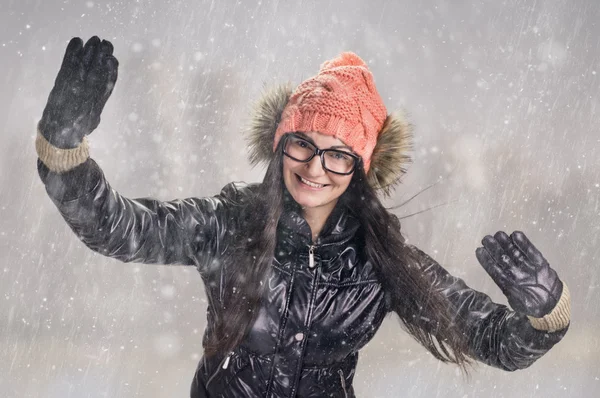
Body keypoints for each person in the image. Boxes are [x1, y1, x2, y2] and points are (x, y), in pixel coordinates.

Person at [35, 36, 571, 398]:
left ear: (360, 168)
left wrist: (546, 313)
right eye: (302, 145)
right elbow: (120, 229)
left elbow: (496, 341)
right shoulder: (229, 223)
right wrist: (64, 147)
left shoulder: (380, 262)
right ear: (279, 145)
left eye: (338, 154)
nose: (315, 168)